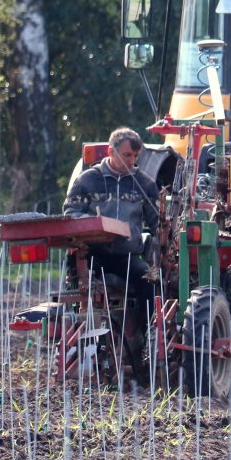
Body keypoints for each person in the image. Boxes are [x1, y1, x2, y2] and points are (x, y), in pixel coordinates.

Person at [63, 127, 159, 328]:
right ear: (110, 152)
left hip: (126, 256)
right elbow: (70, 213)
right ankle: (77, 333)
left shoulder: (144, 184)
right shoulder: (87, 180)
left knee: (151, 283)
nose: (131, 161)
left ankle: (148, 339)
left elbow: (157, 223)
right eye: (126, 155)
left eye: (135, 156)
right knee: (79, 288)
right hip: (91, 253)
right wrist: (96, 225)